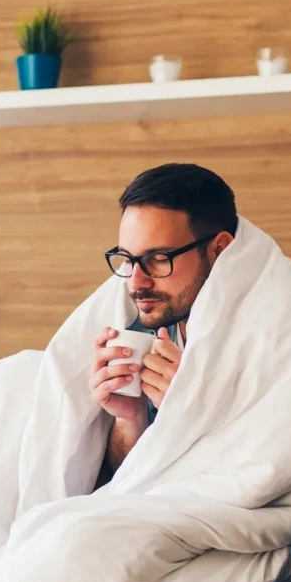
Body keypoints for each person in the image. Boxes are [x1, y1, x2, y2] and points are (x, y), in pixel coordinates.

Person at [90, 163, 238, 486]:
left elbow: (266, 471)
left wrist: (191, 414)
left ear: (219, 250)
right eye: (127, 259)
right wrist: (130, 417)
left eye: (158, 259)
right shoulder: (144, 327)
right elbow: (121, 483)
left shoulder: (264, 337)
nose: (136, 282)